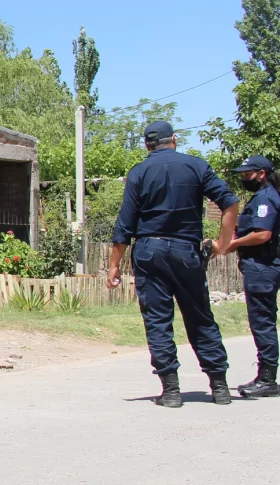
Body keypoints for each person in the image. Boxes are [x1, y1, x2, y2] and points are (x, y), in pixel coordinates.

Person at [107, 121, 239, 408]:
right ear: (174, 140)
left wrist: (114, 265)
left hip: (149, 250)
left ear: (147, 145)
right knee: (200, 316)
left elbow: (124, 225)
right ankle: (219, 386)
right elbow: (230, 203)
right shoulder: (196, 166)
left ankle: (171, 391)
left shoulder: (139, 172)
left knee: (158, 319)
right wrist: (223, 243)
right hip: (185, 251)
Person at [221, 156, 280, 398]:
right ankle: (267, 377)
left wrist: (232, 244)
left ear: (262, 174)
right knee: (263, 321)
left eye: (248, 175)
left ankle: (267, 380)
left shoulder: (266, 197)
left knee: (262, 322)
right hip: (262, 266)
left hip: (263, 266)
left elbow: (262, 234)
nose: (244, 178)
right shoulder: (264, 196)